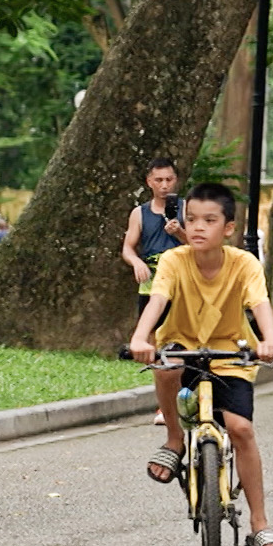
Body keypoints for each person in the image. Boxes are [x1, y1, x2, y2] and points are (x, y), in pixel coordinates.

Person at [129, 183, 273, 546]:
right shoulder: (173, 260)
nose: (198, 227)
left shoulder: (244, 263)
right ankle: (173, 440)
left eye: (209, 220)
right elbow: (158, 299)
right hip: (183, 347)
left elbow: (260, 303)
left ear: (228, 228)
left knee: (241, 429)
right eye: (191, 219)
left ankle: (259, 526)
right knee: (165, 365)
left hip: (230, 354)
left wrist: (269, 340)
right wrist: (140, 337)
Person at [122, 158, 187, 426]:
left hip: (184, 284)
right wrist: (137, 262)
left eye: (169, 179)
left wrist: (180, 232)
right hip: (151, 284)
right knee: (154, 345)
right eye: (158, 180)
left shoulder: (187, 209)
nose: (164, 185)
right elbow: (128, 247)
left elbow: (202, 244)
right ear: (149, 182)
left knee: (186, 343)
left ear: (176, 180)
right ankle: (164, 407)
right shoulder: (140, 213)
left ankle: (188, 398)